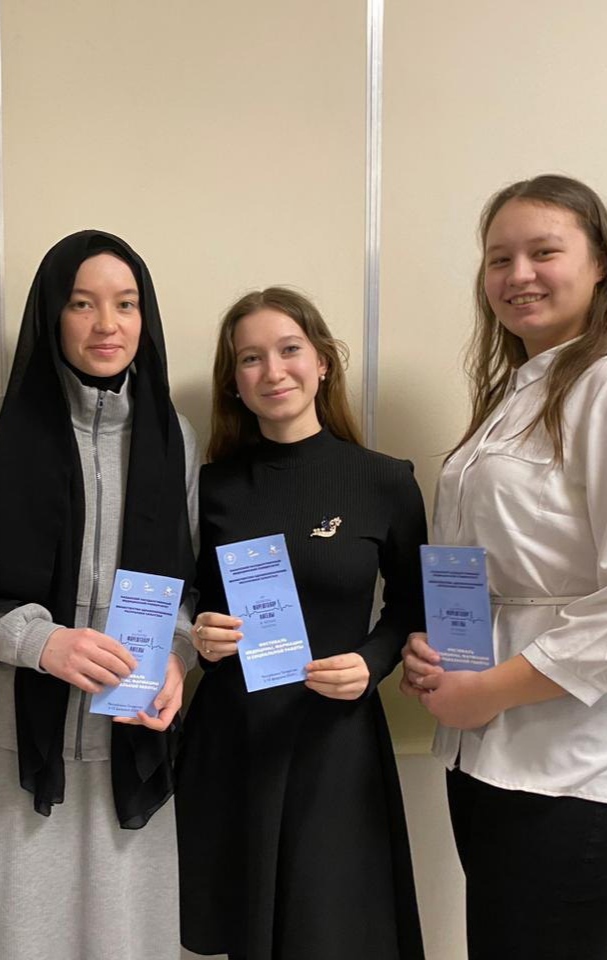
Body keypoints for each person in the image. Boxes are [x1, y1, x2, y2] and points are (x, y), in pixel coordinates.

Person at [401, 174, 607, 960]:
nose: (518, 275)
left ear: (600, 264)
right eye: (498, 259)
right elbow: (492, 567)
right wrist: (439, 651)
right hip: (491, 758)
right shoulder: (516, 396)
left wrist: (488, 690)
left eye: (543, 252)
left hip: (583, 769)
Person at [0, 230, 200, 960]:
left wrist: (177, 656)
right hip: (15, 740)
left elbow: (186, 585)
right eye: (82, 303)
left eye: (126, 304)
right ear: (51, 313)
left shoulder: (173, 437)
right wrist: (42, 642)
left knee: (127, 941)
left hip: (133, 736)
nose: (106, 324)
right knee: (14, 938)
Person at [176, 287, 428, 960]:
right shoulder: (208, 489)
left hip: (336, 744)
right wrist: (199, 634)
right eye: (250, 358)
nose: (273, 371)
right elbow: (183, 598)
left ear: (322, 361)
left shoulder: (384, 482)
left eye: (289, 349)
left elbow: (412, 606)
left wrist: (372, 662)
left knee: (332, 933)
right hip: (234, 741)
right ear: (233, 381)